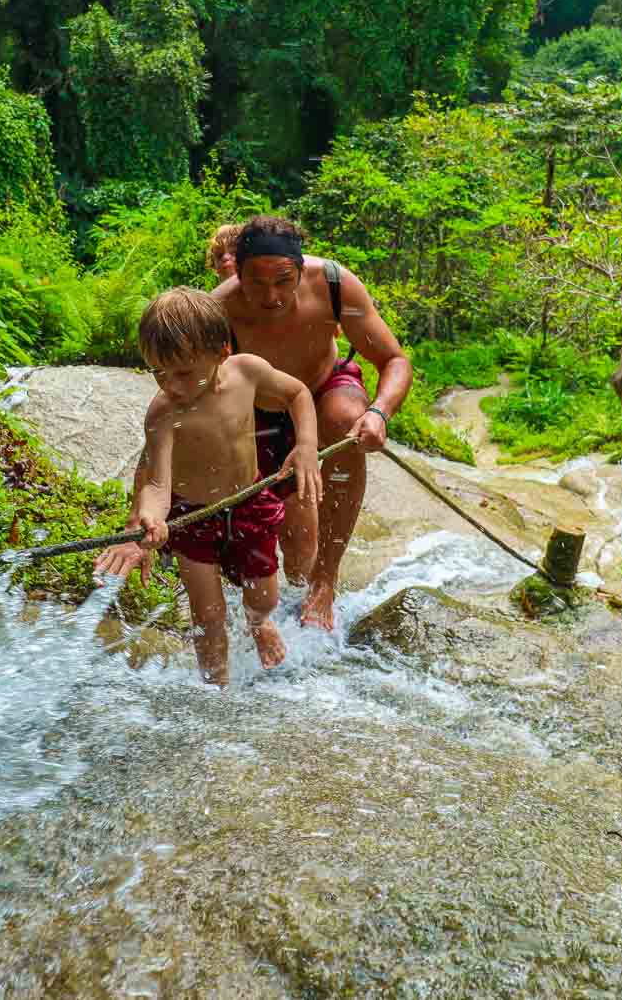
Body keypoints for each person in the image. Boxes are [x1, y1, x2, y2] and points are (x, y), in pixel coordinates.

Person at [95, 288, 323, 688]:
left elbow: (297, 393)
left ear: (222, 352)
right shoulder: (163, 412)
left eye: (182, 372)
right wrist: (149, 518)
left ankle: (259, 622)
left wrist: (305, 445)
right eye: (158, 373)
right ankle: (213, 689)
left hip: (249, 502)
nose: (171, 385)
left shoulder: (247, 371)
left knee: (264, 596)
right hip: (191, 515)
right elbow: (157, 480)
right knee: (208, 614)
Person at [217, 215, 413, 630]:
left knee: (345, 418)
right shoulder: (218, 309)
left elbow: (394, 361)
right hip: (261, 411)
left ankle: (327, 582)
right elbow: (190, 393)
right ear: (237, 271)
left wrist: (379, 413)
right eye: (257, 282)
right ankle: (290, 589)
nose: (271, 296)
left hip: (327, 388)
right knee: (295, 554)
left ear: (300, 267)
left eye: (283, 281)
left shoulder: (334, 284)